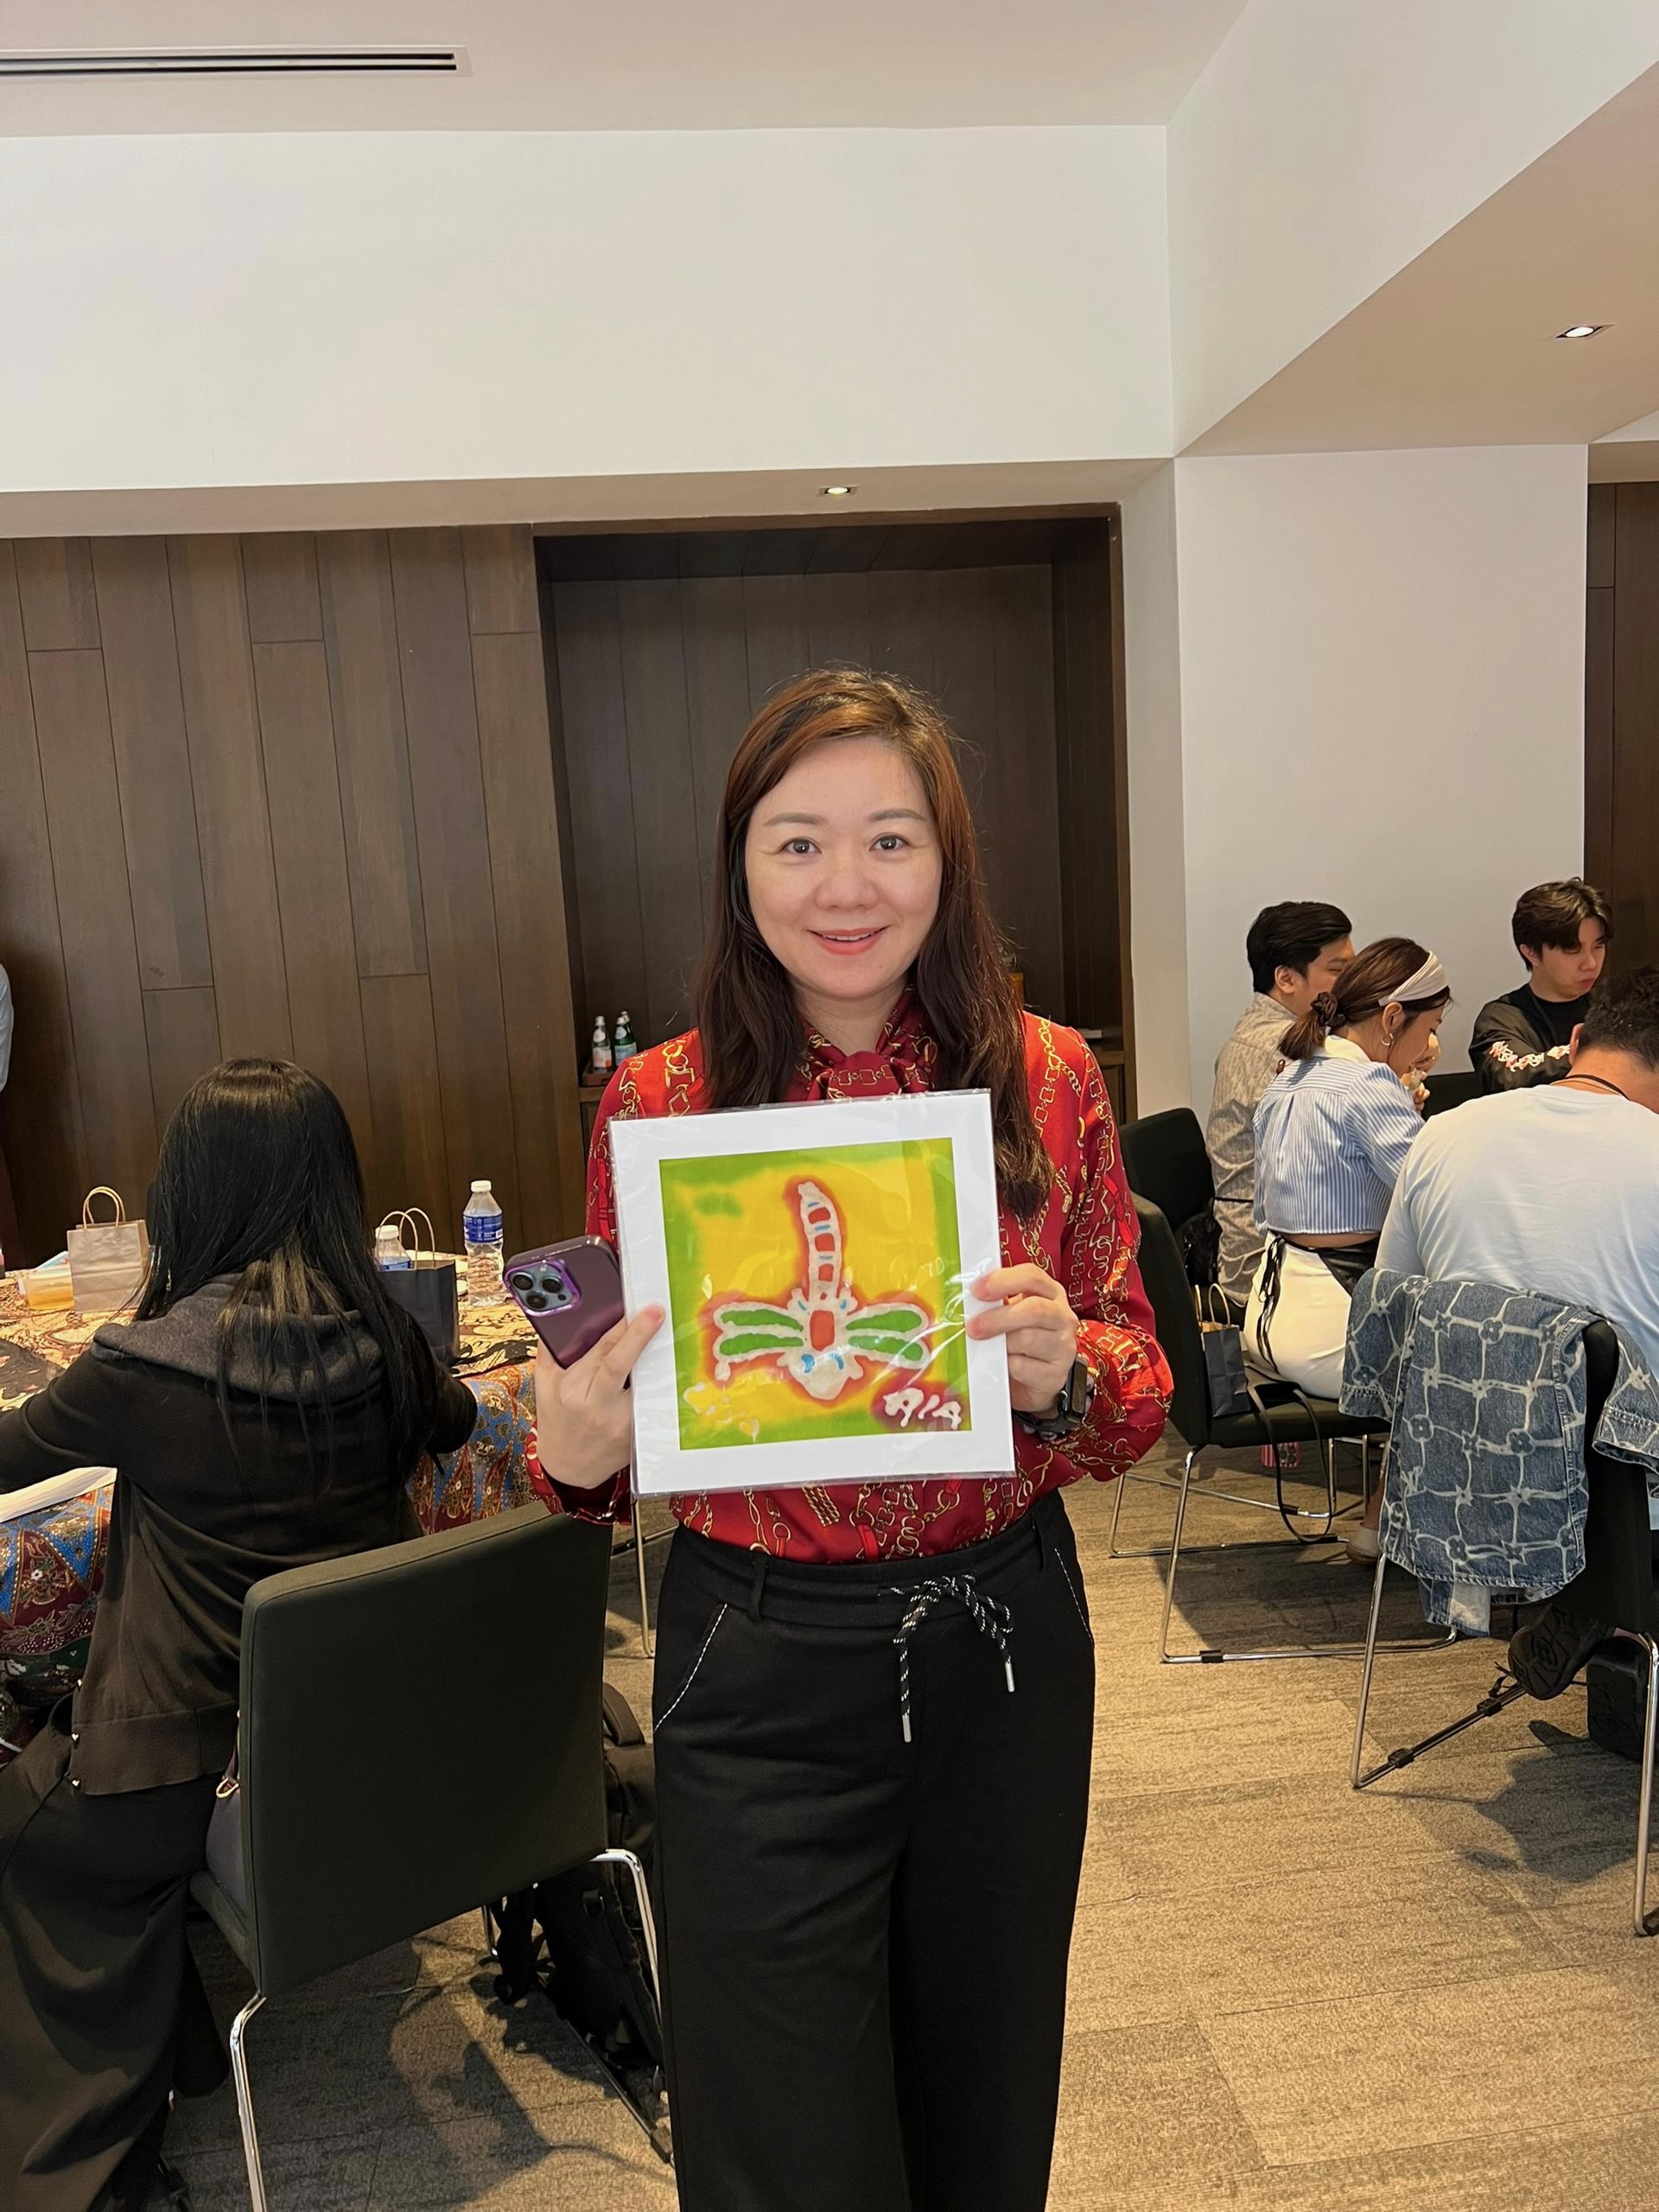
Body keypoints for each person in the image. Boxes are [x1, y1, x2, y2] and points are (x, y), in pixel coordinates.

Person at [526, 670, 1170, 2212]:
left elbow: (1141, 1382)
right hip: (755, 1659)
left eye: (890, 839)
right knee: (780, 2128)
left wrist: (1065, 1369)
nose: (846, 886)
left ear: (947, 860)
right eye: (798, 842)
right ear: (740, 866)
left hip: (1001, 1644)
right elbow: (619, 1426)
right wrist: (576, 1446)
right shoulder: (661, 1102)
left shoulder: (1048, 1077)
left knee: (983, 2087)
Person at [0, 1060, 477, 2212]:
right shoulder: (388, 1344)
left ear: (186, 1196)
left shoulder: (138, 1372)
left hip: (175, 1780)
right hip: (365, 1763)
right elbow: (460, 1419)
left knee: (24, 1832)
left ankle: (82, 2150)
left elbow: (10, 1454)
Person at [1378, 965, 1659, 1697]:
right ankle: (1603, 1607)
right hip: (1627, 1504)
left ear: (1576, 1040)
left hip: (1462, 1479)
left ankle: (1591, 1609)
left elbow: (1393, 1306)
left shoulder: (1442, 1134)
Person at [1244, 937, 1449, 1504]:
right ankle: (1385, 1516)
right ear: (1393, 1019)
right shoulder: (1366, 1085)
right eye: (1431, 1027)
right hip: (1331, 1337)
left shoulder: (1291, 1074)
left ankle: (1383, 1514)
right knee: (1470, 1362)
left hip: (1269, 1319)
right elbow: (1435, 1194)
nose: (1431, 1045)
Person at [1206, 902, 1353, 1306]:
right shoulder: (1278, 1048)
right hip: (1264, 1263)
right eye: (1338, 970)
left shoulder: (1273, 1031)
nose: (1351, 983)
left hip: (1283, 1235)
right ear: (1286, 978)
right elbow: (1326, 1157)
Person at [1470, 877, 1611, 1093]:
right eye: (1573, 950)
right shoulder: (1500, 1018)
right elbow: (1511, 1078)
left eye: (1598, 947)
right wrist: (1598, 1052)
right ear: (1531, 953)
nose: (1591, 963)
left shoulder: (1615, 1006)